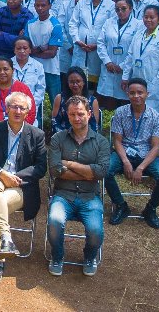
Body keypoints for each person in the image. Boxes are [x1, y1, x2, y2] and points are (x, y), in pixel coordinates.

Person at [0, 92, 46, 287]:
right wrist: (1, 174)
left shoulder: (37, 135)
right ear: (6, 109)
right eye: (13, 107)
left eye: (22, 108)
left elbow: (41, 167)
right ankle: (5, 240)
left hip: (20, 187)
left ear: (28, 112)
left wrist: (15, 178)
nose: (17, 111)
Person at [46, 96, 109, 277]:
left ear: (89, 114)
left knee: (96, 230)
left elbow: (101, 172)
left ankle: (90, 256)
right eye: (72, 114)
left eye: (80, 113)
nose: (77, 118)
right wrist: (88, 173)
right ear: (67, 115)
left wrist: (70, 164)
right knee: (55, 221)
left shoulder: (101, 142)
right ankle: (57, 256)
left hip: (90, 197)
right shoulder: (58, 138)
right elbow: (55, 170)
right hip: (63, 195)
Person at [104, 78, 159, 230]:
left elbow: (155, 147)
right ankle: (121, 206)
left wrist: (140, 168)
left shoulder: (155, 116)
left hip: (147, 157)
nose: (136, 96)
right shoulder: (120, 113)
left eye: (140, 92)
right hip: (124, 153)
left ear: (147, 94)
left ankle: (150, 209)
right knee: (105, 170)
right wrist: (126, 162)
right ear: (128, 94)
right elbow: (117, 141)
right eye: (132, 93)